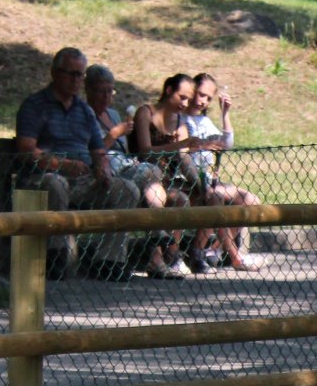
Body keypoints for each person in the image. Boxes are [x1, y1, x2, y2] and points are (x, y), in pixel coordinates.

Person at [14, 47, 140, 280]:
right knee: (57, 184)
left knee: (127, 189)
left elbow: (98, 149)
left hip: (83, 178)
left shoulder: (84, 110)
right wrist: (60, 164)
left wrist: (102, 169)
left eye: (80, 75)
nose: (76, 80)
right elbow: (26, 149)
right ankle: (57, 256)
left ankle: (109, 260)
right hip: (42, 178)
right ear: (55, 73)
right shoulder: (35, 105)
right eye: (71, 74)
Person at [84, 64, 177, 281]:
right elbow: (93, 151)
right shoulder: (85, 113)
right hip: (102, 167)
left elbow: (124, 150)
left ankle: (156, 230)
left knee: (152, 172)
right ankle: (157, 230)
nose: (107, 96)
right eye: (101, 90)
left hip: (123, 165)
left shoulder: (115, 114)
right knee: (141, 181)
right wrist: (115, 133)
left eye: (110, 90)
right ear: (88, 90)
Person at [131, 72, 206, 279]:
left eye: (189, 100)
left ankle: (172, 256)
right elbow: (145, 150)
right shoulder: (145, 113)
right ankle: (156, 259)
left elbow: (184, 159)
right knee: (155, 197)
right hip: (142, 177)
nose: (185, 103)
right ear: (169, 90)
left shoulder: (180, 121)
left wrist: (200, 183)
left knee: (181, 199)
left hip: (168, 181)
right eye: (182, 97)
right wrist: (180, 144)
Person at [183, 72, 259, 271]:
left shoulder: (204, 121)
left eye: (208, 98)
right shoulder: (180, 119)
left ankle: (215, 249)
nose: (203, 101)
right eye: (200, 94)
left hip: (206, 179)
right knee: (213, 197)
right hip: (185, 179)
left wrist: (225, 113)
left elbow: (226, 143)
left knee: (250, 200)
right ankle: (232, 257)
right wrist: (206, 145)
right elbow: (183, 148)